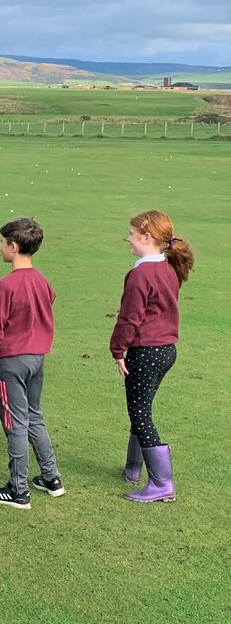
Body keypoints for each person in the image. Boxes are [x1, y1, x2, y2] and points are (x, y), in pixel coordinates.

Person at [111, 210, 194, 503]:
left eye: (132, 235)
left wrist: (117, 350)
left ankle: (161, 483)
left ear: (146, 238)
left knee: (140, 413)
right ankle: (133, 468)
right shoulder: (168, 268)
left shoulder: (140, 274)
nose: (129, 241)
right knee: (141, 406)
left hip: (146, 352)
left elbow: (129, 318)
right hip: (166, 350)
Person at [0, 218, 62, 509]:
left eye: (2, 243)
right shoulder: (41, 279)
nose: (0, 247)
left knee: (15, 424)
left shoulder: (5, 285)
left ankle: (18, 489)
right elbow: (47, 302)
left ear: (13, 247)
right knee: (34, 416)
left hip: (10, 362)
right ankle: (52, 478)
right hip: (36, 359)